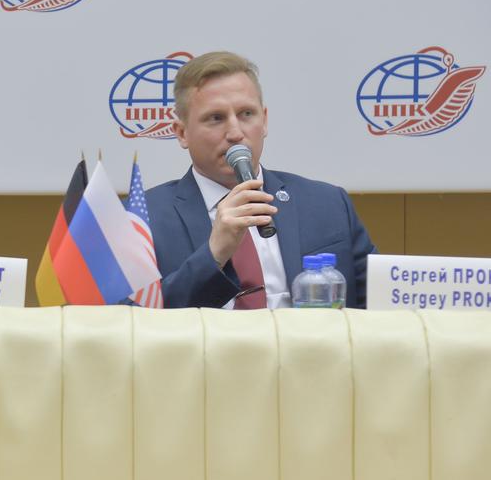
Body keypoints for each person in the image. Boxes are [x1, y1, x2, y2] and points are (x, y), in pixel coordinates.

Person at [145, 51, 374, 309]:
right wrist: (214, 254)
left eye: (246, 114)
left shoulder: (327, 203)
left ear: (264, 121)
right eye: (216, 118)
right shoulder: (145, 219)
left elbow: (381, 305)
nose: (235, 133)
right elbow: (133, 317)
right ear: (182, 132)